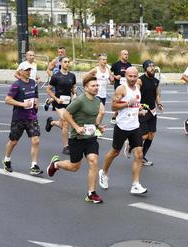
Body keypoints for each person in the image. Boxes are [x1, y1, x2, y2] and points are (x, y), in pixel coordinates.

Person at [47, 75, 106, 203]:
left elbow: (91, 119)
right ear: (85, 88)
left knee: (93, 161)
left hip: (90, 137)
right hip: (77, 138)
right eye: (93, 86)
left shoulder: (97, 101)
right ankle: (56, 164)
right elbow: (66, 114)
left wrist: (98, 127)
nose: (96, 88)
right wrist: (76, 127)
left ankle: (91, 193)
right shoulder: (79, 101)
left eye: (97, 85)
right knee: (75, 166)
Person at [98, 67, 147, 194]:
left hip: (135, 126)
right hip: (122, 126)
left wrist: (140, 109)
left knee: (139, 154)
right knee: (115, 152)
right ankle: (103, 173)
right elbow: (113, 106)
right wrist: (127, 104)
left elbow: (136, 103)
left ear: (137, 76)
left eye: (135, 76)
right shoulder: (121, 88)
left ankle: (135, 184)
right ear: (126, 76)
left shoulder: (138, 88)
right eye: (130, 76)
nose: (132, 79)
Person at [2, 63, 43, 175]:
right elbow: (7, 100)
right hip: (19, 118)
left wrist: (36, 104)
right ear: (20, 71)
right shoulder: (16, 85)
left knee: (36, 140)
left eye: (30, 70)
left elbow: (36, 95)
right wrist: (22, 104)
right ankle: (7, 159)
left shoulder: (33, 83)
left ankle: (34, 165)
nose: (28, 72)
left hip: (31, 116)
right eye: (26, 70)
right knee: (13, 141)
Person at [124, 60, 163, 167]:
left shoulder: (156, 81)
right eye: (150, 67)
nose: (152, 68)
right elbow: (135, 93)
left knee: (151, 135)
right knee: (144, 135)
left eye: (153, 66)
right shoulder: (140, 81)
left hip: (152, 111)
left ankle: (142, 157)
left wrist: (159, 104)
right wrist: (138, 107)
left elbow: (157, 95)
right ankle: (131, 144)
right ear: (145, 69)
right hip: (142, 111)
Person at [45, 56, 76, 155]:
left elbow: (73, 89)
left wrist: (74, 95)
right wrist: (56, 99)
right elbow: (48, 89)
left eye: (68, 62)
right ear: (60, 64)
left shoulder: (72, 76)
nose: (67, 63)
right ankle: (66, 147)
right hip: (58, 103)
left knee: (63, 124)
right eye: (65, 62)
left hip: (68, 103)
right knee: (66, 123)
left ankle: (52, 123)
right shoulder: (56, 76)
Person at [110, 50, 132, 123]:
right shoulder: (116, 64)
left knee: (125, 101)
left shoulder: (129, 65)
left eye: (127, 54)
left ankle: (118, 117)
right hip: (118, 86)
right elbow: (110, 73)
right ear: (121, 55)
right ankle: (114, 117)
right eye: (125, 54)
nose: (126, 56)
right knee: (118, 102)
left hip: (127, 86)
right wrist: (115, 77)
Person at [44, 46, 66, 111]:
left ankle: (49, 101)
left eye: (62, 52)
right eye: (59, 52)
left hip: (63, 82)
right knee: (56, 96)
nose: (60, 53)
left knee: (61, 96)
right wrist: (53, 77)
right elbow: (48, 70)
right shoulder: (55, 60)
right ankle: (50, 102)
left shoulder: (66, 61)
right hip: (55, 82)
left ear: (65, 52)